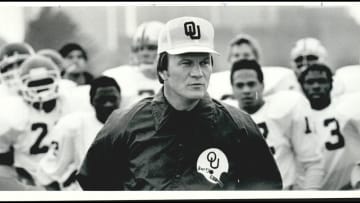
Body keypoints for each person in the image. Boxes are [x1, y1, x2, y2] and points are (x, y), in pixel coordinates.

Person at [78, 16, 282, 190]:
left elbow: (265, 187)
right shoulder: (124, 124)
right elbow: (95, 183)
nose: (198, 73)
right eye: (186, 62)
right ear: (162, 70)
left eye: (204, 62)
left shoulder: (239, 126)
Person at [230, 59, 324, 190]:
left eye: (251, 84)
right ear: (232, 89)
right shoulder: (227, 118)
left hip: (283, 193)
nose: (246, 90)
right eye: (240, 85)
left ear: (262, 86)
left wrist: (310, 194)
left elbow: (312, 162)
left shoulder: (285, 109)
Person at [0, 55, 76, 189]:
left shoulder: (70, 101)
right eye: (34, 84)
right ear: (23, 85)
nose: (41, 88)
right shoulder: (14, 110)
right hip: (28, 180)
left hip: (66, 177)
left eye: (45, 82)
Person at [36, 76, 121, 190]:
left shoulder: (132, 125)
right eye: (102, 100)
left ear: (120, 98)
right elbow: (47, 173)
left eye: (112, 99)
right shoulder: (73, 127)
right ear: (91, 101)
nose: (108, 104)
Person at [298, 63, 360, 190]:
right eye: (310, 82)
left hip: (347, 185)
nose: (316, 86)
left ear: (331, 84)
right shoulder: (297, 117)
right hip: (309, 187)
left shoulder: (346, 110)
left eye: (321, 81)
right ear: (302, 86)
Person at [207, 34, 299, 105]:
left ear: (256, 57)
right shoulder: (215, 83)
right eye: (236, 55)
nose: (241, 59)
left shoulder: (273, 80)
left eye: (246, 55)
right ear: (229, 59)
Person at [103, 21, 165, 109]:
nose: (144, 53)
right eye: (138, 49)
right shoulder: (116, 76)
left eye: (151, 48)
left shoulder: (177, 79)